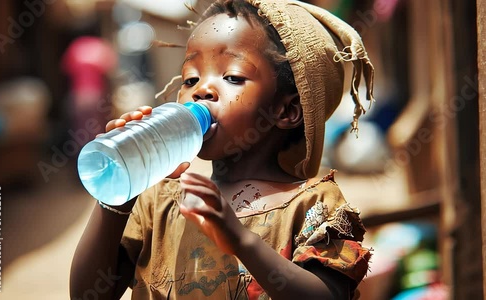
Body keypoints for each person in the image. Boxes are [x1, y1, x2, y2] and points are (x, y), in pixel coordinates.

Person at [70, 0, 375, 299]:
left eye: (232, 77)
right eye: (191, 78)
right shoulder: (159, 202)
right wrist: (119, 192)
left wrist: (240, 241)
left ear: (286, 110)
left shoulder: (312, 205)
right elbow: (89, 293)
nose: (201, 89)